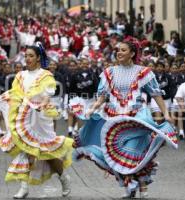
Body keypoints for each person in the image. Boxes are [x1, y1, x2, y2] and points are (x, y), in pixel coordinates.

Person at [70, 39, 178, 198]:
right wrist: (91, 109)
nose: (119, 53)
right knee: (115, 153)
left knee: (135, 150)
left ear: (132, 54)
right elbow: (101, 97)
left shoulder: (143, 72)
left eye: (123, 50)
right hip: (113, 117)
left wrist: (166, 114)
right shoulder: (109, 72)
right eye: (118, 50)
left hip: (137, 117)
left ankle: (141, 184)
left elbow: (156, 94)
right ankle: (130, 184)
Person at [0, 43, 73, 199]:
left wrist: (42, 105)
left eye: (31, 56)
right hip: (25, 118)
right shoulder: (20, 75)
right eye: (26, 56)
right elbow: (16, 94)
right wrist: (7, 99)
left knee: (48, 154)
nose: (27, 59)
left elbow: (47, 94)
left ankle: (64, 178)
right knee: (26, 149)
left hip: (41, 118)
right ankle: (24, 187)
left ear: (38, 58)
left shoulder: (45, 75)